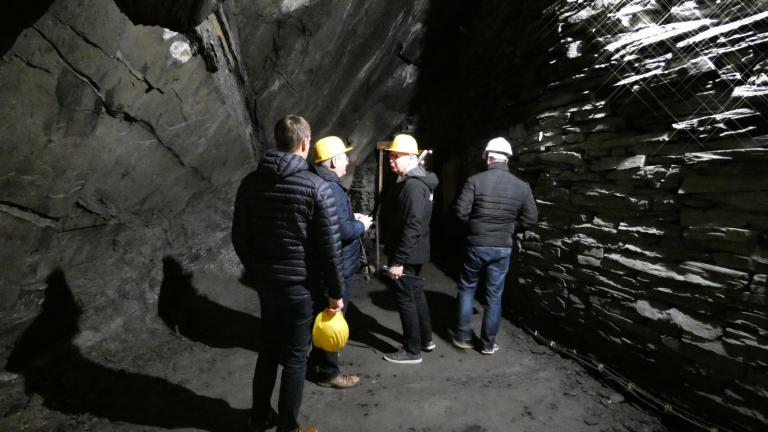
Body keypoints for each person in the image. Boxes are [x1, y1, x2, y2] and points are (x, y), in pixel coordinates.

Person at [232, 115, 344, 432]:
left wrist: (258, 271)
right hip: (302, 288)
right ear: (305, 143)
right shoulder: (316, 188)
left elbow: (239, 237)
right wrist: (335, 294)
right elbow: (329, 250)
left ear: (278, 141)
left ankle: (258, 417)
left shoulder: (250, 183)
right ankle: (288, 427)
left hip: (268, 286)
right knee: (295, 358)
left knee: (267, 350)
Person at [452, 137, 538, 355]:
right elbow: (531, 219)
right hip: (502, 247)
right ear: (507, 160)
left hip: (476, 244)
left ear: (489, 157)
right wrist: (509, 228)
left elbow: (460, 211)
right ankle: (488, 344)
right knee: (494, 295)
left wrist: (477, 227)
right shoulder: (522, 186)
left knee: (467, 288)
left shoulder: (475, 180)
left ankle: (462, 336)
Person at [307, 136, 373, 388]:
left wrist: (350, 219)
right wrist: (360, 225)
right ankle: (329, 373)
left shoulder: (315, 180)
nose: (348, 160)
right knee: (334, 318)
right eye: (344, 156)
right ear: (333, 161)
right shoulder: (331, 188)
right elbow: (341, 232)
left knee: (323, 314)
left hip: (323, 263)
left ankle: (317, 362)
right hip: (338, 264)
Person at [381, 133, 439, 364]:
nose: (391, 161)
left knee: (405, 299)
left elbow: (412, 225)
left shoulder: (413, 186)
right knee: (415, 294)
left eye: (395, 156)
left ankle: (412, 351)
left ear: (411, 158)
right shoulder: (417, 181)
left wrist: (398, 261)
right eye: (390, 157)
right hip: (417, 249)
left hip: (408, 251)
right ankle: (425, 339)